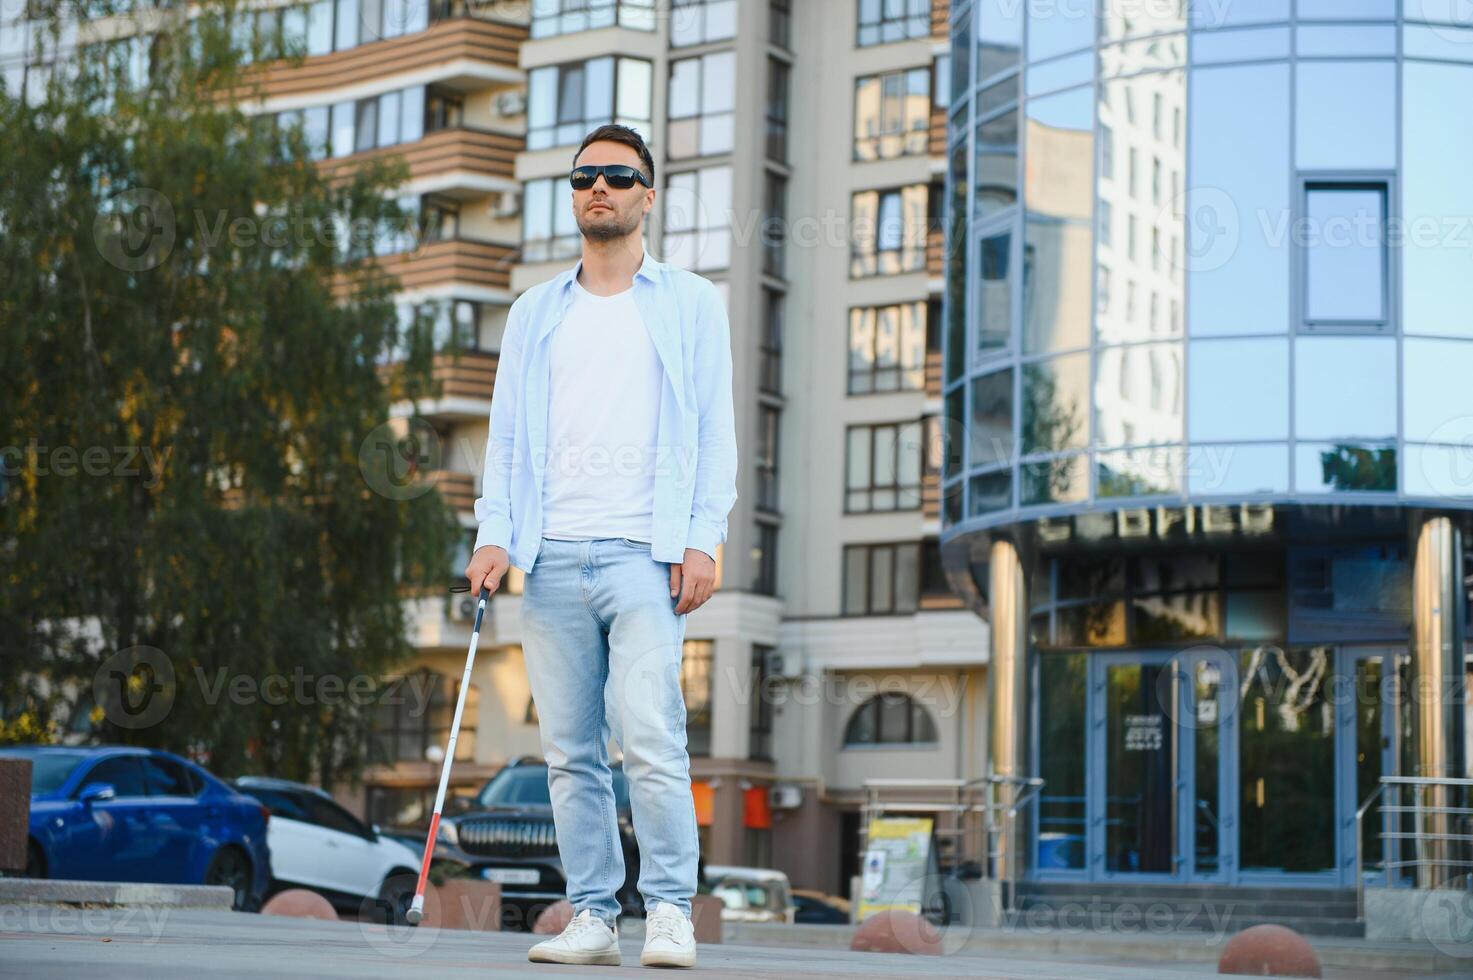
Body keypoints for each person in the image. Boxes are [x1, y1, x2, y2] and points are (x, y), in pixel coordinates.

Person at [463, 124, 737, 969]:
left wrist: (703, 541)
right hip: (548, 561)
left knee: (651, 737)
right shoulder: (534, 312)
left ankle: (667, 912)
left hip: (643, 557)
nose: (600, 189)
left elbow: (713, 434)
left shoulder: (690, 301)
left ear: (647, 196)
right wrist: (492, 536)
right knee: (569, 754)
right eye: (585, 177)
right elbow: (505, 440)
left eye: (619, 176)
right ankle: (590, 915)